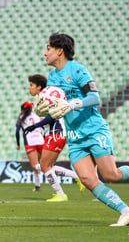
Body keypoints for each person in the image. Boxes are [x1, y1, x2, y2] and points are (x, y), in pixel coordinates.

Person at [34, 33, 129, 226]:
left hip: (93, 130)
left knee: (111, 174)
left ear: (60, 50)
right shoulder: (52, 77)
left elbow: (94, 98)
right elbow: (56, 108)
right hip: (75, 137)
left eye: (48, 48)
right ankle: (127, 213)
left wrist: (73, 104)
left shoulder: (77, 70)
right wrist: (44, 110)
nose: (45, 53)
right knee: (87, 179)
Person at [24, 74, 85, 202]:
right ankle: (77, 177)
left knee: (44, 166)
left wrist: (35, 126)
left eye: (31, 85)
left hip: (55, 133)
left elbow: (52, 116)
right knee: (46, 166)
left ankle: (61, 195)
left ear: (39, 87)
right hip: (53, 134)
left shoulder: (47, 97)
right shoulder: (40, 99)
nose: (29, 88)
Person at [15, 101, 44, 192]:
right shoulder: (36, 116)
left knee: (35, 165)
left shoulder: (21, 117)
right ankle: (37, 186)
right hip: (40, 141)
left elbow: (17, 131)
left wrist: (18, 144)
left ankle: (48, 171)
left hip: (30, 142)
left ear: (23, 110)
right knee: (38, 164)